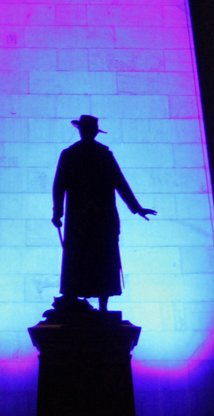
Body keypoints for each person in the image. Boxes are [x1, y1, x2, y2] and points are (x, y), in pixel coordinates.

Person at [52, 115, 157, 312]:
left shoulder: (86, 154)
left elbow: (119, 182)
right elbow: (60, 185)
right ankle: (88, 306)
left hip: (92, 218)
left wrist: (137, 208)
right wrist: (57, 212)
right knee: (94, 259)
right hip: (93, 218)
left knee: (97, 259)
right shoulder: (84, 154)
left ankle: (98, 307)